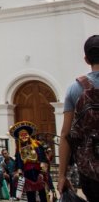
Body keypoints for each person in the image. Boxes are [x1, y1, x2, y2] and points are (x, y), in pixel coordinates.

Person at [58, 34, 99, 201]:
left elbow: (65, 135)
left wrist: (61, 175)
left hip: (89, 170)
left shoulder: (75, 89)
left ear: (86, 59)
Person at [10, 121, 48, 202]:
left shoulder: (37, 144)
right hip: (27, 173)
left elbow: (42, 156)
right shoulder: (19, 149)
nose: (24, 136)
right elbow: (19, 161)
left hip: (38, 170)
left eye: (25, 134)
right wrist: (19, 170)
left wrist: (43, 165)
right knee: (30, 193)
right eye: (22, 135)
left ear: (29, 134)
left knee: (42, 192)